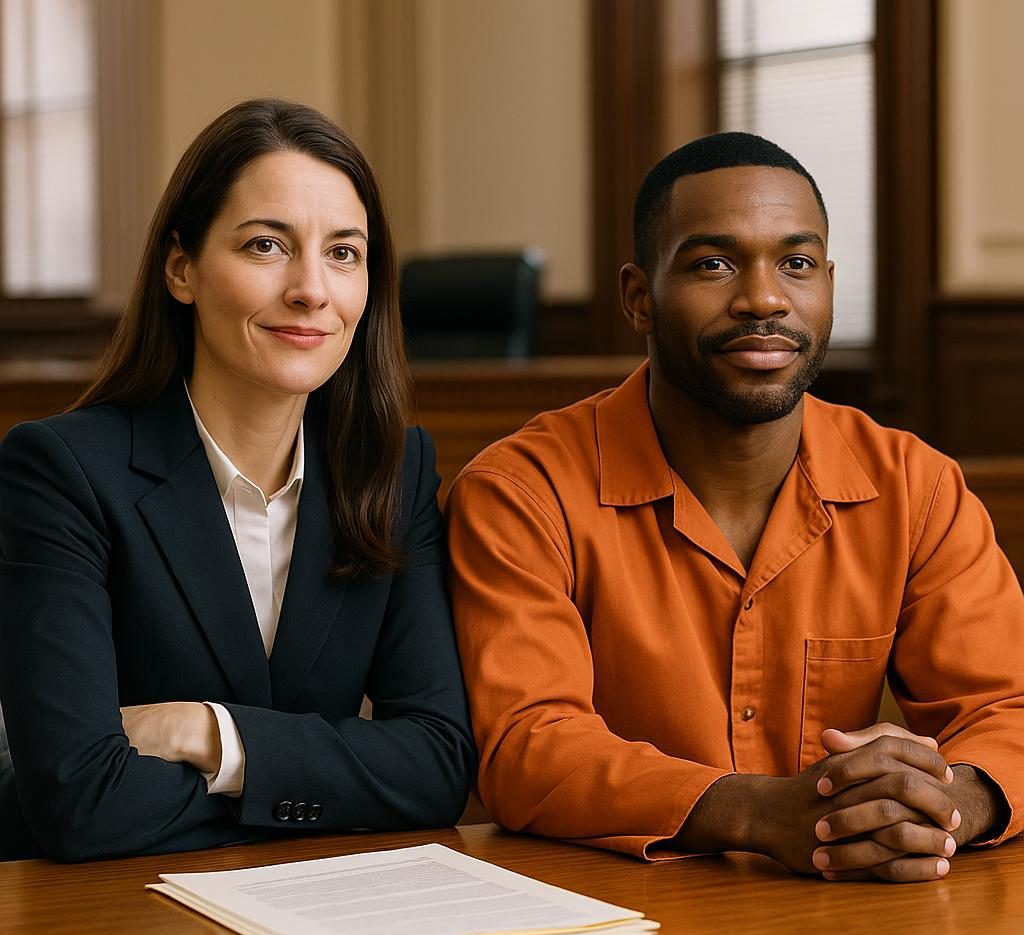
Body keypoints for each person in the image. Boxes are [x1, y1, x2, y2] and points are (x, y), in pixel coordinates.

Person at [446, 132, 1024, 883]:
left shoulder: (916, 486)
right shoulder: (522, 492)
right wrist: (756, 812)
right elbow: (528, 743)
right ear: (637, 298)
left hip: (845, 914)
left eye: (797, 263)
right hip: (611, 919)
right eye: (713, 264)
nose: (764, 299)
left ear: (828, 283)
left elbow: (1008, 705)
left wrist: (947, 803)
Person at [0, 99, 475, 862]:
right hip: (99, 922)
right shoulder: (62, 471)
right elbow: (76, 799)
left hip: (303, 917)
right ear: (182, 269)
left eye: (344, 253)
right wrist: (331, 786)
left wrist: (205, 733)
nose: (312, 290)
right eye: (266, 246)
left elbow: (437, 767)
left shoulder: (393, 470)